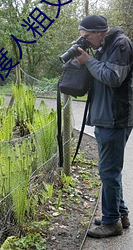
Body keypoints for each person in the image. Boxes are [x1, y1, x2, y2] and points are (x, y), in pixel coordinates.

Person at [75, 15, 133, 238]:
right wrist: (84, 60)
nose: (86, 41)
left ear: (99, 32)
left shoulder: (121, 44)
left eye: (87, 37)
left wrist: (88, 60)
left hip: (115, 118)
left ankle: (111, 223)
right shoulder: (104, 46)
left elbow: (112, 77)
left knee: (108, 171)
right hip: (105, 117)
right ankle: (120, 214)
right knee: (110, 171)